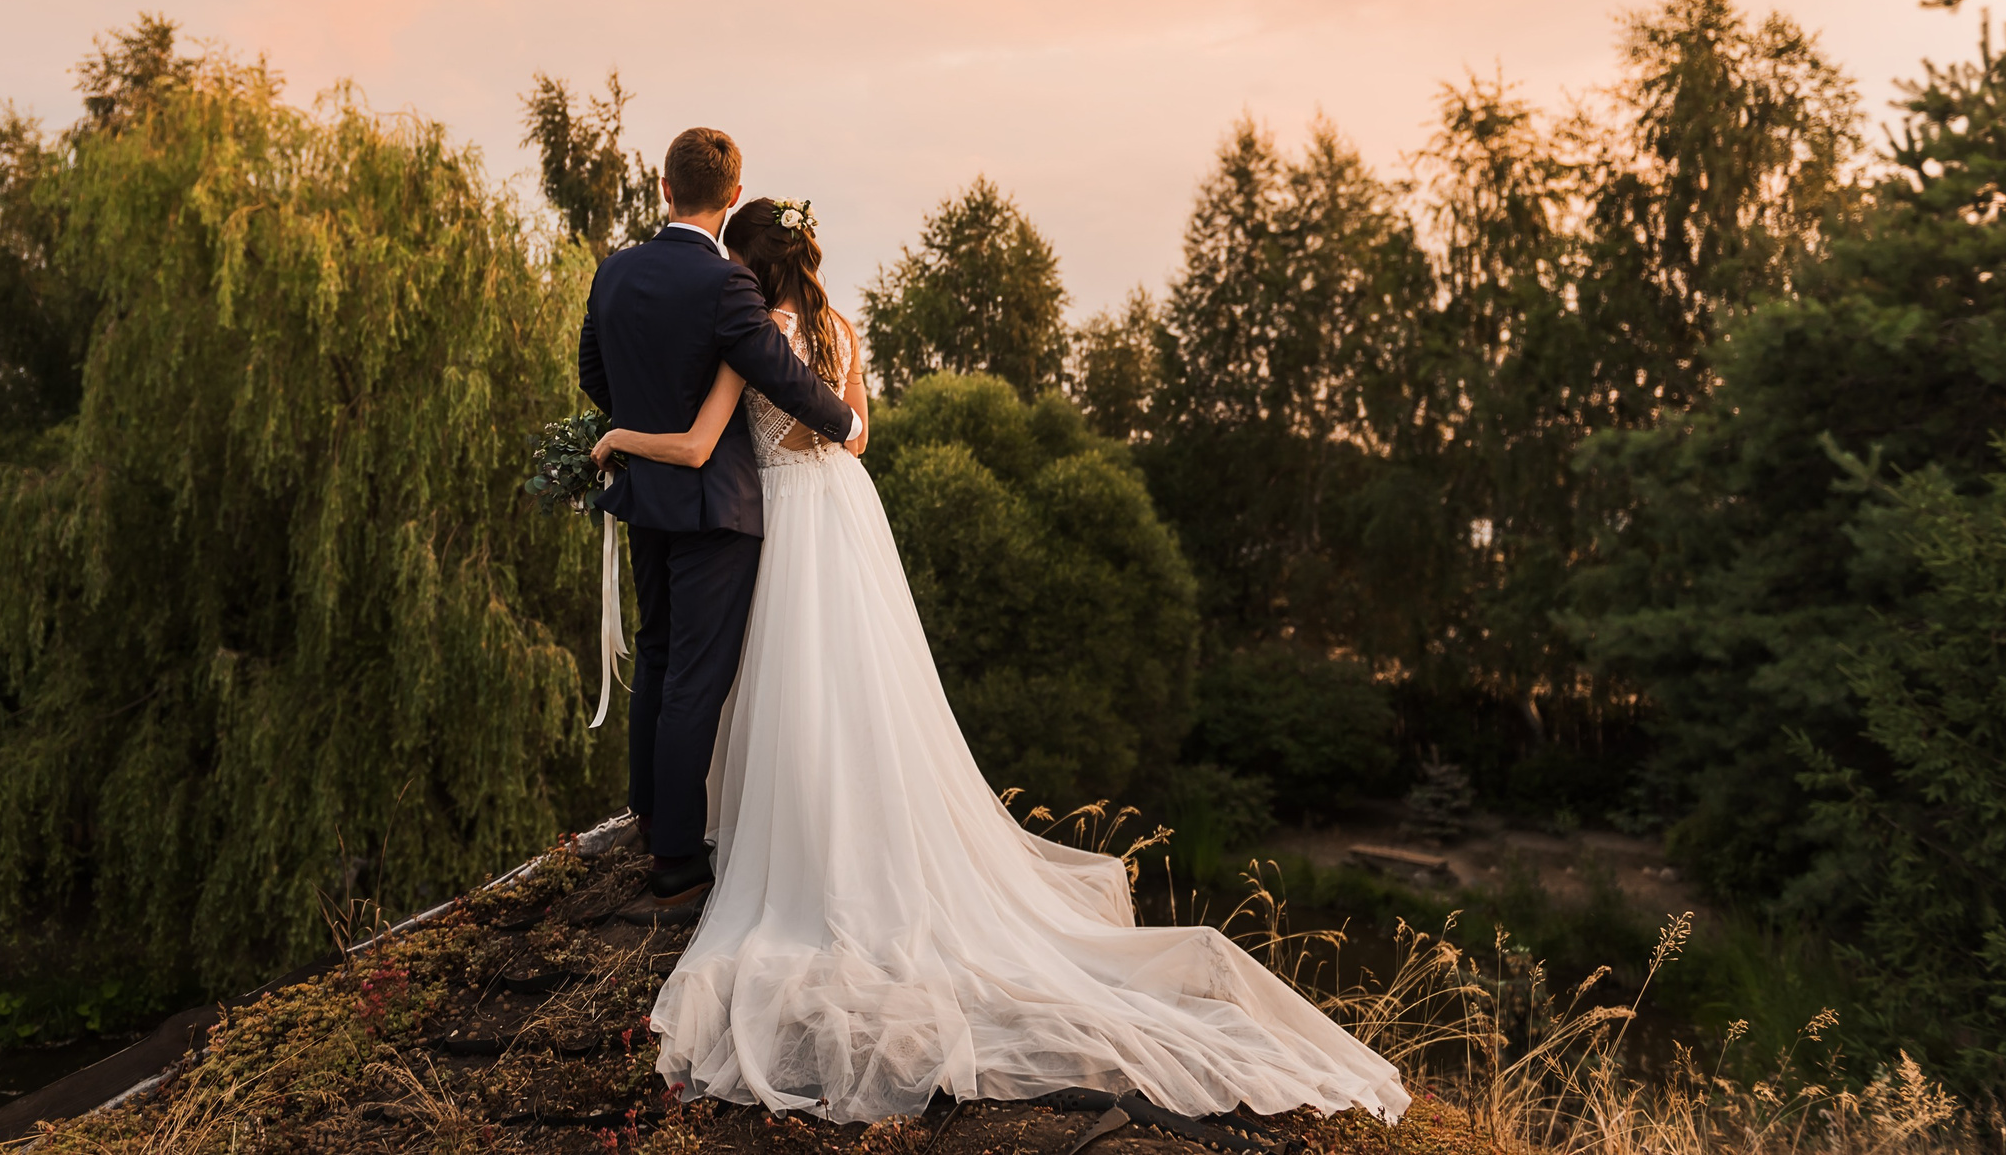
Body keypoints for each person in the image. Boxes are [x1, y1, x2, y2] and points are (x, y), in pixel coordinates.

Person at [589, 193, 1411, 1126]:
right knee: (865, 688)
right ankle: (860, 829)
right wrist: (840, 438)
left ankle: (783, 839)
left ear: (751, 266)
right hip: (849, 517)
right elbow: (856, 429)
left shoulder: (754, 340)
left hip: (786, 524)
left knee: (788, 688)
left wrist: (621, 435)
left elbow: (704, 438)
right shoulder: (840, 328)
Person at [576, 128, 861, 908]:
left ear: (663, 188)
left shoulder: (614, 272)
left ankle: (649, 815)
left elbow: (594, 372)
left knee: (659, 658)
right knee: (697, 678)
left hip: (647, 500)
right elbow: (781, 375)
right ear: (732, 194)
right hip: (716, 508)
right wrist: (848, 425)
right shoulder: (726, 286)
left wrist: (644, 431)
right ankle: (676, 858)